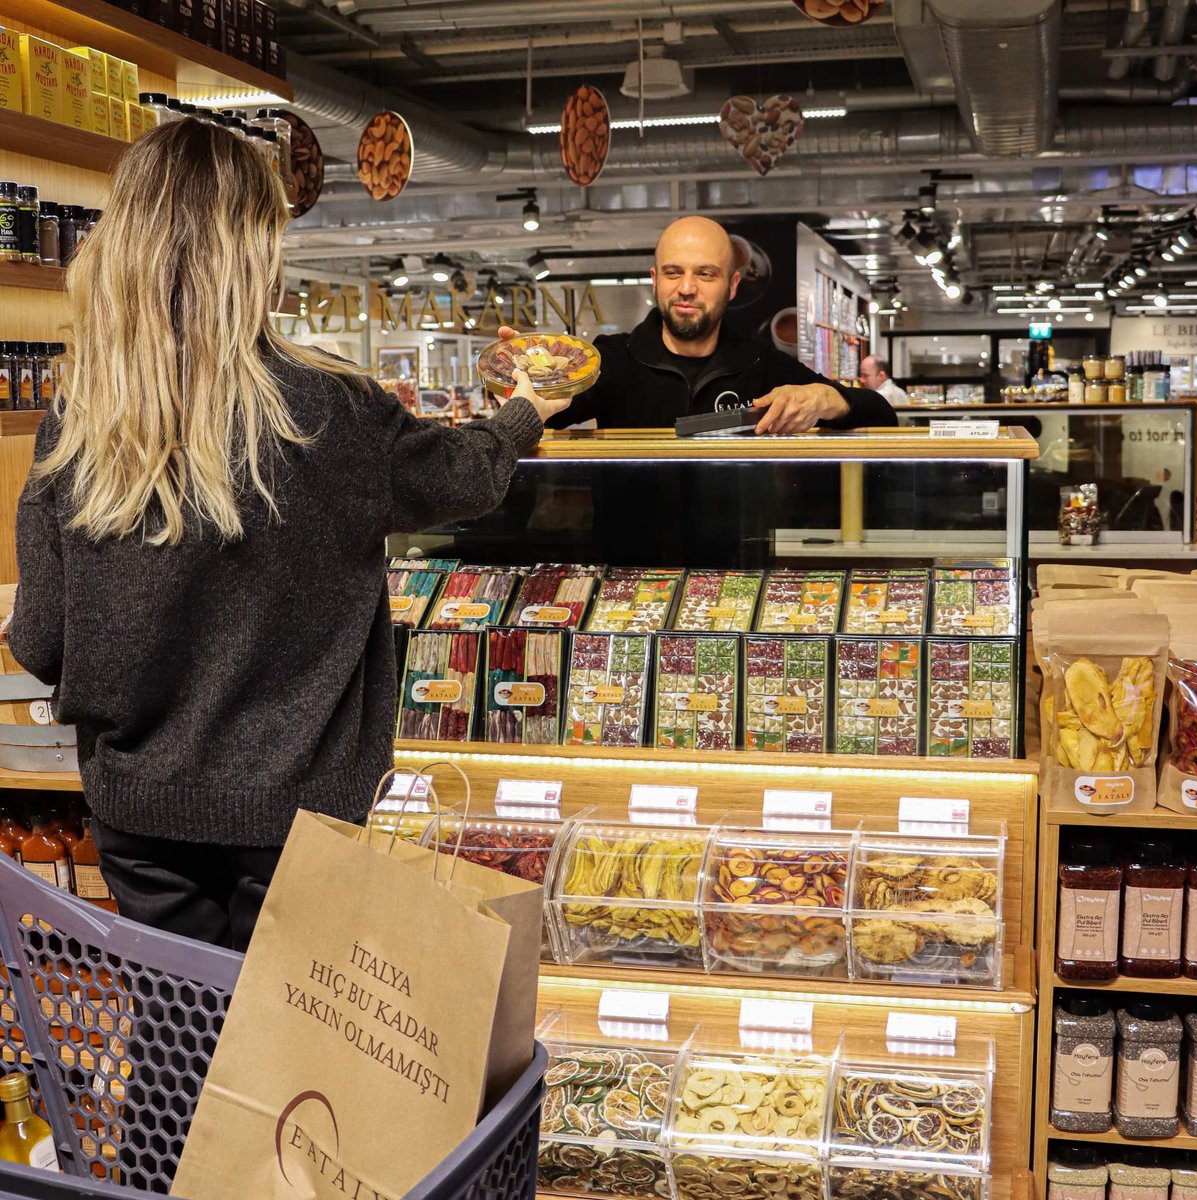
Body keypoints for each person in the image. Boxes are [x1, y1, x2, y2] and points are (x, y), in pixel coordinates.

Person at [6, 119, 567, 952]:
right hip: (304, 819)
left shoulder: (77, 424)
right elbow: (463, 476)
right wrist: (522, 413)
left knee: (177, 1019)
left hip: (139, 818)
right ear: (254, 249)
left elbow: (41, 642)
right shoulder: (328, 408)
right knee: (297, 1030)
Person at [520, 215, 897, 433]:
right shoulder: (613, 359)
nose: (686, 288)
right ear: (655, 280)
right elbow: (545, 412)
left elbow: (881, 415)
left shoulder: (760, 362)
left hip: (740, 551)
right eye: (673, 272)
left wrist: (826, 398)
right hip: (628, 551)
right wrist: (521, 376)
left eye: (705, 274)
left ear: (732, 285)